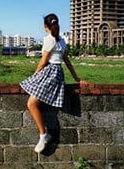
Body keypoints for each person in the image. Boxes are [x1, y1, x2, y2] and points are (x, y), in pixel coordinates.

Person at [20, 13, 82, 153]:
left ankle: (43, 135)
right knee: (34, 101)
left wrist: (35, 75)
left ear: (45, 27)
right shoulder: (62, 41)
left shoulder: (49, 40)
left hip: (50, 72)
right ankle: (43, 135)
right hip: (58, 73)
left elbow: (43, 61)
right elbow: (67, 61)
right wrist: (76, 78)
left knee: (31, 103)